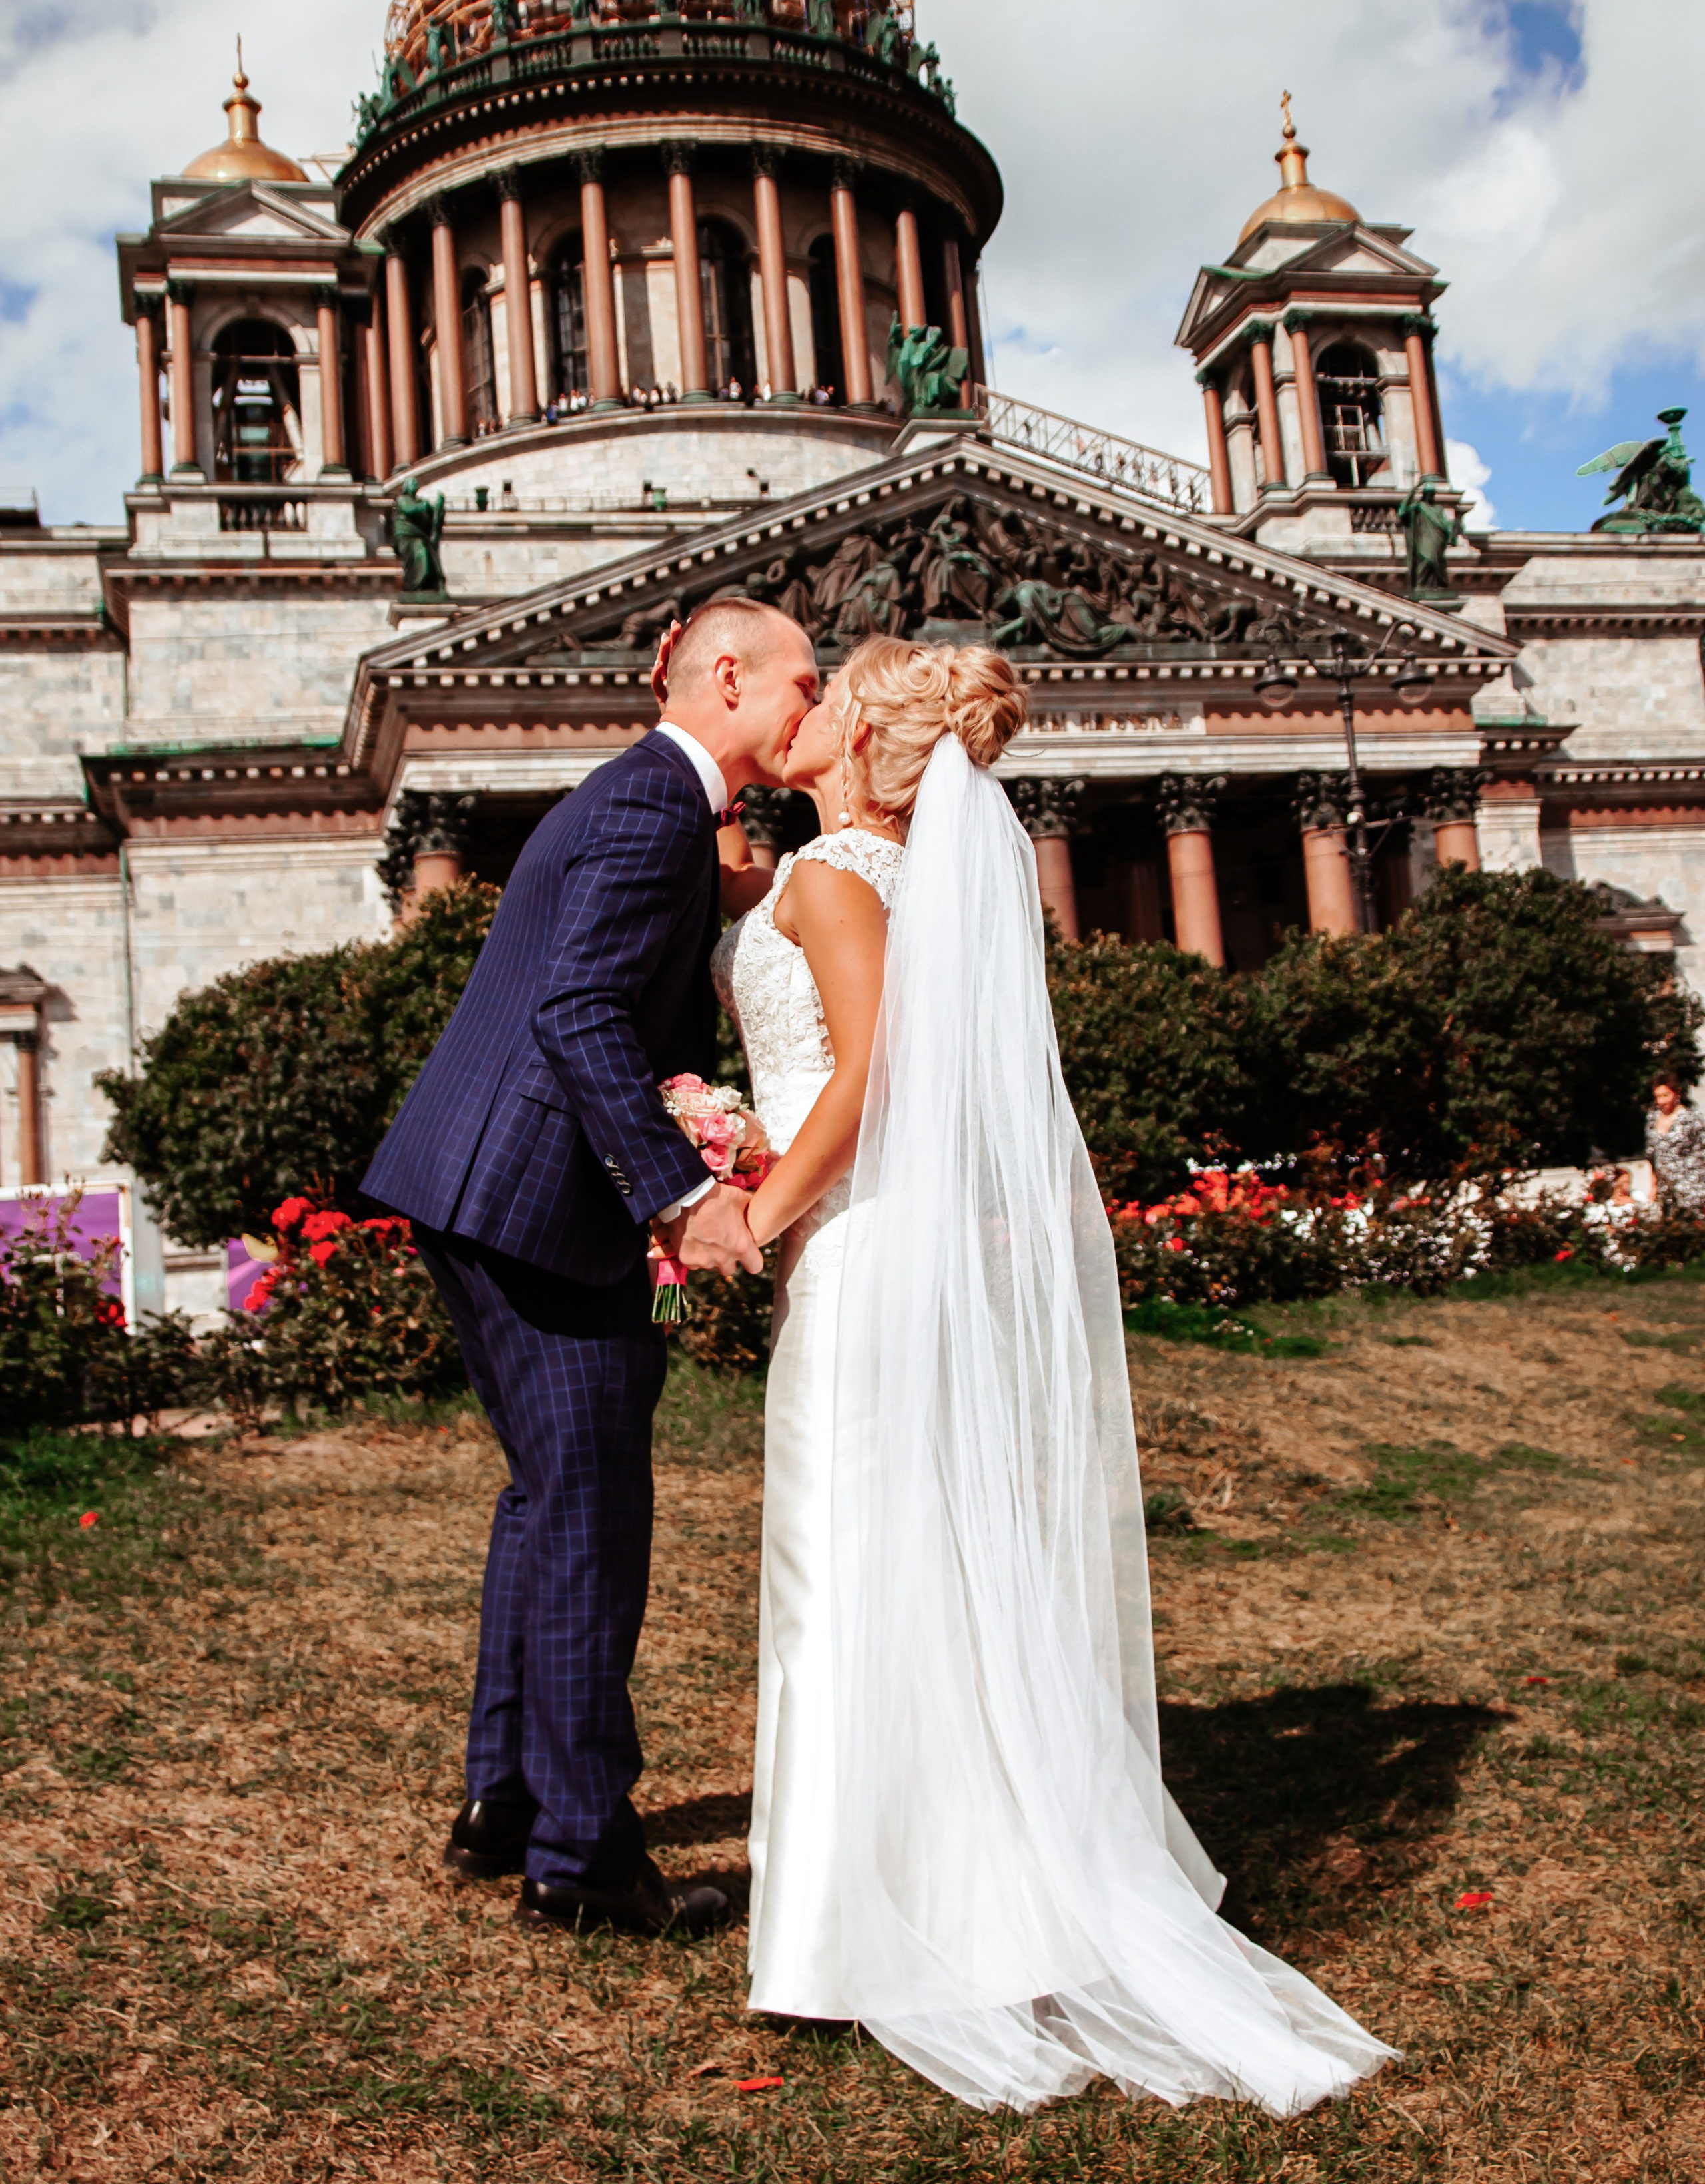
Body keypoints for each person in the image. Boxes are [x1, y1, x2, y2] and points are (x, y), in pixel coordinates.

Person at [712, 635, 1395, 2114]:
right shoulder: (883, 878)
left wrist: (756, 1211)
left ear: (867, 743)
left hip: (856, 1244)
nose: (810, 701)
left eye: (832, 695)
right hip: (898, 1239)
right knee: (925, 1564)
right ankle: (971, 1896)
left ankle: (850, 1931)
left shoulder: (834, 881)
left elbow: (870, 1068)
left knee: (846, 1564)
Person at [362, 597, 820, 1938]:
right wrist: (680, 1192)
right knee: (587, 1514)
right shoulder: (650, 808)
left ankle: (506, 1800)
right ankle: (581, 1861)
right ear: (726, 677)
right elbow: (576, 1009)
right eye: (803, 680)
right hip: (530, 1206)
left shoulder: (653, 805)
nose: (813, 701)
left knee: (546, 1498)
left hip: (482, 1191)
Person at [1648, 1075, 1705, 1211]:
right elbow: (1651, 1155)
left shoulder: (1691, 1118)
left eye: (1665, 1095)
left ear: (1677, 1093)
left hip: (1691, 1187)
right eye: (1658, 1096)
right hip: (1665, 1190)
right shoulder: (1652, 1118)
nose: (1661, 1101)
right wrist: (1653, 1186)